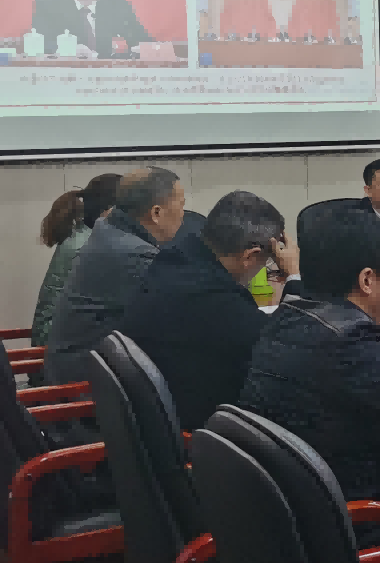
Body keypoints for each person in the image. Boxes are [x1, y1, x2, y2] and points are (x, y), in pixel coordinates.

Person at [239, 209, 380, 538]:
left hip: (286, 520)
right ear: (367, 280)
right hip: (347, 529)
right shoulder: (349, 340)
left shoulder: (287, 316)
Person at [119, 190, 300, 431]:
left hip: (155, 419)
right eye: (267, 263)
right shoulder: (220, 304)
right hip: (203, 434)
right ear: (250, 256)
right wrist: (294, 276)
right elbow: (288, 348)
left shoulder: (172, 260)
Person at [44, 166, 187, 386]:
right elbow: (180, 316)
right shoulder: (134, 254)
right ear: (156, 213)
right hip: (86, 388)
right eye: (182, 205)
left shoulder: (109, 231)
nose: (184, 215)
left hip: (78, 369)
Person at [30, 172, 120, 346]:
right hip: (60, 346)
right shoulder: (88, 247)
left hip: (62, 338)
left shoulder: (85, 236)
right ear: (109, 211)